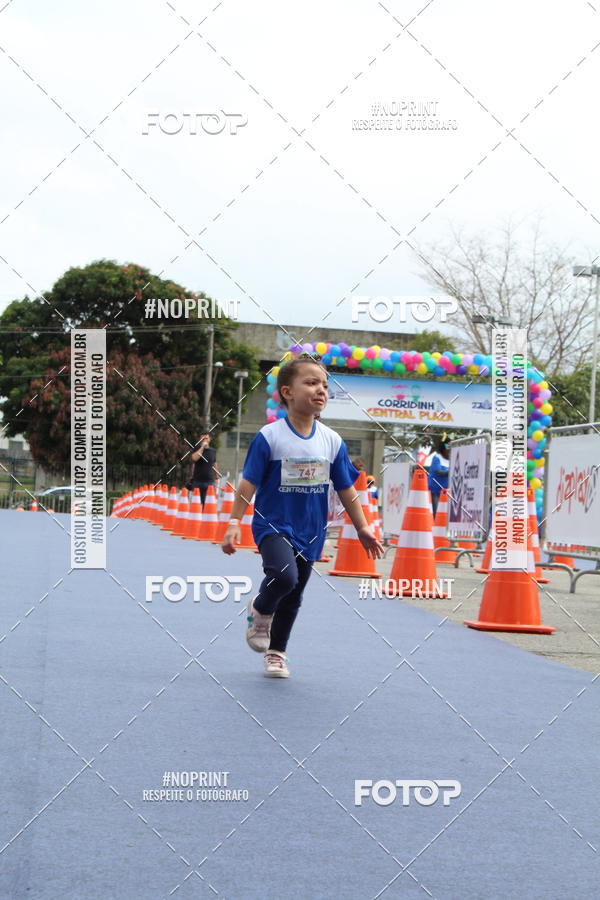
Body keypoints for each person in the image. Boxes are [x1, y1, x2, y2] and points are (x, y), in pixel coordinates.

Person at [221, 354, 384, 678]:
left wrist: (363, 526)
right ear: (287, 392)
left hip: (311, 530)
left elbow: (346, 490)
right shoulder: (270, 437)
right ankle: (261, 608)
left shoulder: (332, 441)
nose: (320, 390)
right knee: (284, 577)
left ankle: (276, 653)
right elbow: (248, 483)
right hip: (272, 525)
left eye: (324, 384)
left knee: (294, 595)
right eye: (310, 382)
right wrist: (233, 522)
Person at [188, 432, 218, 505]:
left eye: (206, 438)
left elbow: (214, 464)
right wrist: (202, 448)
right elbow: (194, 458)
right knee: (196, 504)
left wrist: (216, 478)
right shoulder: (196, 449)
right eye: (202, 438)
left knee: (208, 504)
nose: (204, 440)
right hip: (197, 481)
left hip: (210, 482)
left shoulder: (212, 451)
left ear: (209, 439)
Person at [427, 436, 450, 515]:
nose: (449, 449)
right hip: (435, 492)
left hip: (447, 493)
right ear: (443, 448)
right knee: (436, 514)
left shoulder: (452, 460)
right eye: (448, 446)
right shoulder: (437, 458)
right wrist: (450, 472)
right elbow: (438, 472)